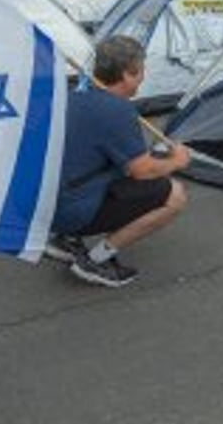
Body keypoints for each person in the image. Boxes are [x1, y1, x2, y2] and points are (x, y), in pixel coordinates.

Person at [47, 35, 190, 288]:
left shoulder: (72, 97)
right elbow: (143, 171)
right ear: (127, 74)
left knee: (116, 167)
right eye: (141, 71)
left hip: (49, 203)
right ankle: (94, 261)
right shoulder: (117, 110)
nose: (143, 77)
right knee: (174, 195)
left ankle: (65, 238)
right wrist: (176, 161)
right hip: (71, 209)